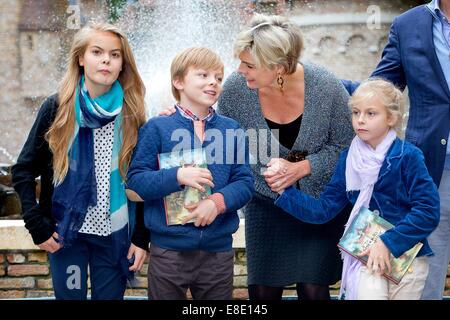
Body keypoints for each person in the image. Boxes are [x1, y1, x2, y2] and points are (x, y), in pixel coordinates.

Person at [217, 14, 354, 300]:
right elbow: (227, 143)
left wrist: (303, 168)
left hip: (317, 207)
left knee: (313, 290)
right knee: (261, 294)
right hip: (265, 205)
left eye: (249, 64)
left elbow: (347, 147)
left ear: (278, 67)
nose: (240, 70)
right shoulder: (234, 90)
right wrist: (179, 112)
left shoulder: (326, 87)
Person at [11, 22, 149, 300]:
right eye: (97, 52)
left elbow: (143, 181)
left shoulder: (133, 114)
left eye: (115, 54)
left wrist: (140, 238)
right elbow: (23, 170)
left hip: (114, 234)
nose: (106, 60)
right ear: (81, 58)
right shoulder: (57, 107)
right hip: (66, 234)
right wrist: (36, 223)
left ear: (123, 64)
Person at [274, 79, 440, 300]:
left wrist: (388, 242)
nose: (360, 120)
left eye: (371, 114)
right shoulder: (348, 159)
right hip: (367, 257)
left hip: (408, 260)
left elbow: (428, 212)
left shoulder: (408, 156)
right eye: (355, 112)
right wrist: (283, 190)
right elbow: (323, 209)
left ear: (391, 118)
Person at [125, 47, 254, 300]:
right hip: (168, 253)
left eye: (218, 77)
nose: (213, 83)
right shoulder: (157, 127)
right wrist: (177, 177)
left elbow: (245, 182)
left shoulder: (232, 129)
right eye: (203, 75)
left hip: (218, 254)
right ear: (179, 81)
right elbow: (136, 181)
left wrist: (216, 203)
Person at [342, 0, 450, 300]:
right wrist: (317, 84)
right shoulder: (408, 24)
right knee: (429, 277)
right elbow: (379, 88)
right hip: (435, 167)